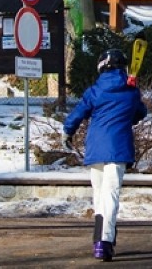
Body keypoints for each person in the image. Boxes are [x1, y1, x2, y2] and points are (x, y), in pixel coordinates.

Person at [63, 48, 147, 262]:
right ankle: (104, 241)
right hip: (118, 149)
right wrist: (133, 96)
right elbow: (140, 113)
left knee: (100, 195)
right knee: (111, 195)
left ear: (101, 66)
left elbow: (78, 113)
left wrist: (67, 132)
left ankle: (100, 238)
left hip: (95, 148)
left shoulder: (94, 90)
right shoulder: (131, 91)